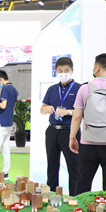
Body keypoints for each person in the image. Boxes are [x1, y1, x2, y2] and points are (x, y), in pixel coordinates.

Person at [69, 53, 106, 195]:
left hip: (88, 143)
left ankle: (80, 209)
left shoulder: (85, 88)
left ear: (97, 67)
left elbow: (77, 116)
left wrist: (72, 137)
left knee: (82, 184)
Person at [41, 57, 81, 194]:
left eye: (66, 70)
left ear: (72, 70)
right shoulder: (52, 89)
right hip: (52, 131)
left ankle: (75, 197)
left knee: (74, 167)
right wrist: (46, 109)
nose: (63, 73)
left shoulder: (79, 89)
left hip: (70, 131)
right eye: (60, 71)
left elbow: (84, 111)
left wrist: (68, 112)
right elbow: (42, 109)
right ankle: (52, 196)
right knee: (52, 166)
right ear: (56, 71)